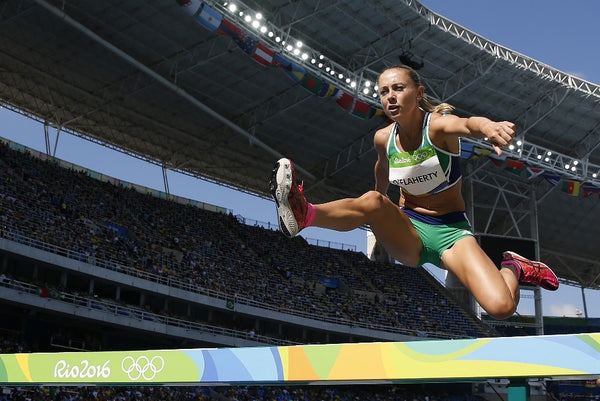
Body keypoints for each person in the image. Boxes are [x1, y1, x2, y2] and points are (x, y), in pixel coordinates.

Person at [269, 64, 559, 320]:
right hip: (409, 229)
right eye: (384, 92)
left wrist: (489, 127)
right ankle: (304, 213)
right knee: (373, 200)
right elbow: (381, 171)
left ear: (418, 93)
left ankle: (514, 267)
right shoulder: (383, 138)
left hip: (451, 232)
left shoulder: (439, 129)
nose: (390, 96)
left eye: (398, 88)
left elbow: (468, 124)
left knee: (501, 307)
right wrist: (378, 213)